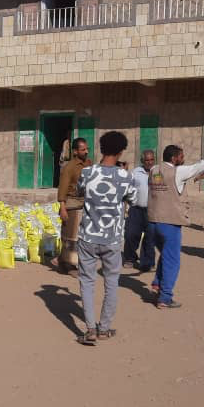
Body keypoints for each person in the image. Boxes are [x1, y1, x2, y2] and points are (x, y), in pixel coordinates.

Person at [148, 141, 204, 308]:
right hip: (169, 222)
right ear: (174, 158)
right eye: (181, 156)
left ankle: (157, 284)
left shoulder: (154, 170)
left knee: (165, 255)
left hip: (153, 222)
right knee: (172, 260)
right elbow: (203, 165)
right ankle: (165, 298)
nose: (183, 158)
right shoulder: (178, 171)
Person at [75, 131, 136, 345]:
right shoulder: (126, 176)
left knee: (87, 281)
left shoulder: (87, 172)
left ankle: (90, 329)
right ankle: (104, 327)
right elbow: (133, 198)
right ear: (120, 151)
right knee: (111, 282)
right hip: (112, 238)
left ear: (101, 148)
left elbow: (80, 191)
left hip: (88, 236)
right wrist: (123, 174)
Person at [56, 137, 92, 271]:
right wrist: (63, 208)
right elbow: (63, 188)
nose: (86, 151)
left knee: (81, 236)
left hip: (85, 203)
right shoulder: (69, 167)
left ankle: (65, 261)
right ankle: (68, 265)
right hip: (71, 203)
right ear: (75, 151)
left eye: (87, 149)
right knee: (70, 236)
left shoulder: (89, 164)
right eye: (83, 149)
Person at [123, 149, 156, 271]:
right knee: (131, 234)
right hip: (136, 209)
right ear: (142, 160)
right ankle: (129, 258)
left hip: (152, 211)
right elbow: (127, 189)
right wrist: (125, 208)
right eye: (147, 160)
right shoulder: (136, 172)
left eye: (152, 159)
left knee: (150, 237)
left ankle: (147, 262)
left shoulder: (157, 172)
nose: (149, 162)